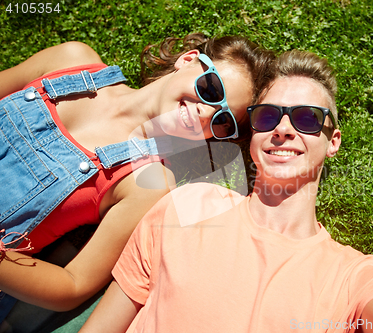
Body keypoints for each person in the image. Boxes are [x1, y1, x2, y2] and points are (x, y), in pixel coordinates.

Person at [80, 50, 373, 333]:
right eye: (267, 117)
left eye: (305, 117)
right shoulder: (187, 205)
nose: (283, 129)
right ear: (252, 136)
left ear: (332, 141)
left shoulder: (351, 276)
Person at [0, 32, 275, 325]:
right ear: (188, 60)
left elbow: (73, 283)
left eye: (222, 120)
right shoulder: (72, 60)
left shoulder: (149, 181)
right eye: (211, 89)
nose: (205, 113)